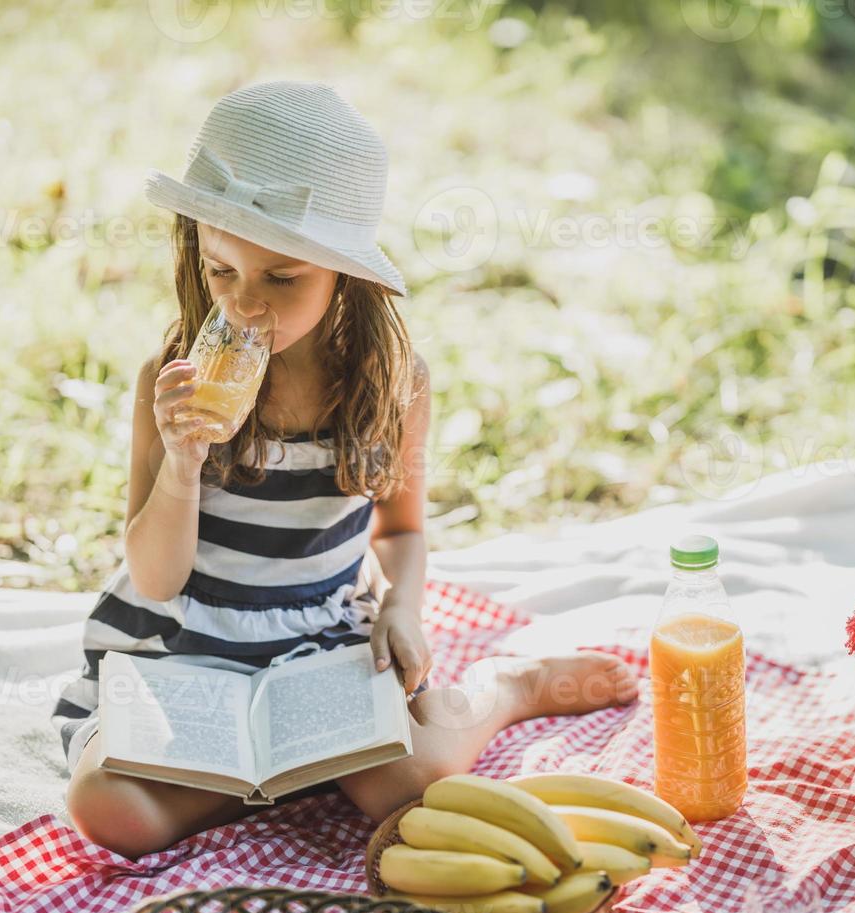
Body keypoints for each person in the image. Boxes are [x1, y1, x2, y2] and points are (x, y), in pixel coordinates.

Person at [50, 81, 639, 859]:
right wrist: (183, 464)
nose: (244, 306)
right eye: (221, 271)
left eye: (280, 279)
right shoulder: (173, 378)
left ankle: (508, 689)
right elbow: (155, 580)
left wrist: (403, 606)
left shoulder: (394, 383)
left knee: (417, 788)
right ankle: (298, 770)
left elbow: (401, 529)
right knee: (107, 810)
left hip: (316, 636)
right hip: (187, 638)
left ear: (342, 277)